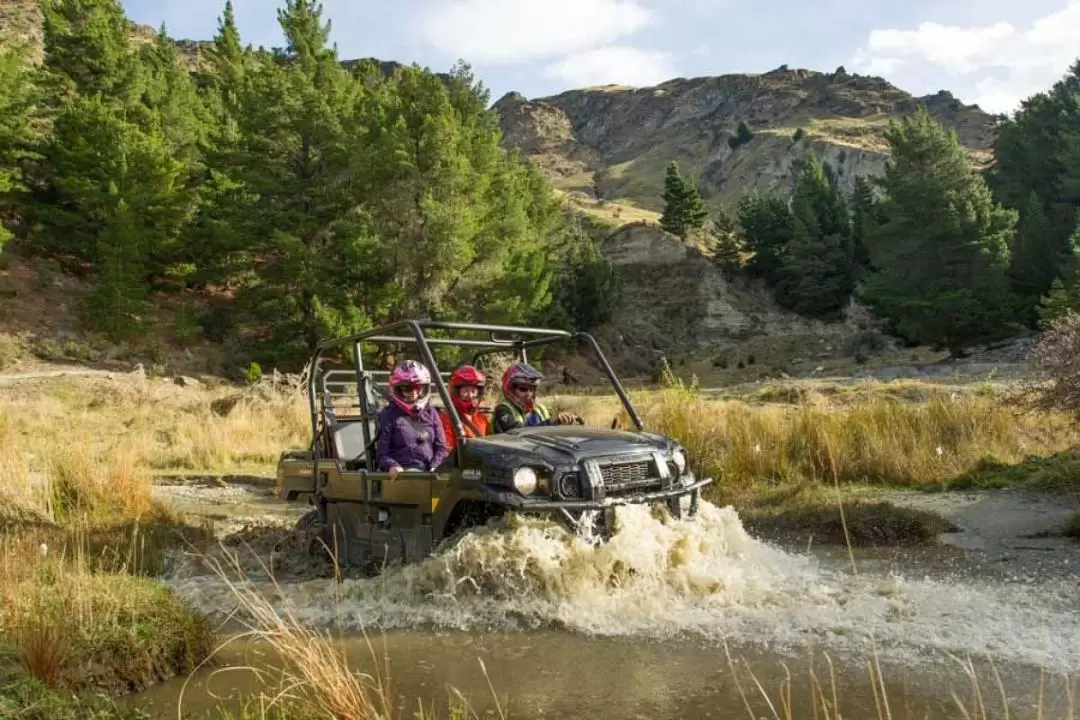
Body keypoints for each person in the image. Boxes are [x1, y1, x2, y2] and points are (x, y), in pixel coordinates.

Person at [376, 360, 449, 480]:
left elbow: (441, 447)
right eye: (408, 389)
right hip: (405, 474)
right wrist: (393, 465)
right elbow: (382, 454)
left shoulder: (432, 413)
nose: (414, 393)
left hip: (431, 473)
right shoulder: (389, 414)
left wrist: (435, 466)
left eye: (418, 388)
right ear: (398, 390)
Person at [492, 362, 580, 434]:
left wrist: (565, 422)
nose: (528, 393)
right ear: (511, 389)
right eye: (523, 389)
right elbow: (516, 431)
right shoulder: (503, 409)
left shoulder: (540, 409)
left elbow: (550, 432)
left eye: (532, 389)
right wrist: (552, 422)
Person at [438, 365, 491, 450]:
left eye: (473, 391)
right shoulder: (446, 419)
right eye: (465, 391)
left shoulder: (482, 418)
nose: (470, 395)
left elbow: (492, 445)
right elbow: (449, 452)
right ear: (456, 392)